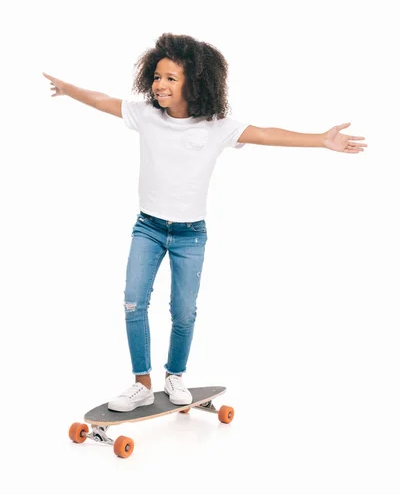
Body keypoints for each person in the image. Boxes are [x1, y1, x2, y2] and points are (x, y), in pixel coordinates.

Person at [43, 33, 367, 412]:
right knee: (134, 302)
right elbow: (104, 101)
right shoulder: (146, 116)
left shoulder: (216, 126)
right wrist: (69, 89)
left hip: (189, 235)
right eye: (157, 76)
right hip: (147, 227)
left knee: (183, 310)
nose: (159, 85)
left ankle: (176, 377)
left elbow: (265, 134)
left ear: (193, 83)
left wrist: (320, 140)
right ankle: (141, 384)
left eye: (171, 79)